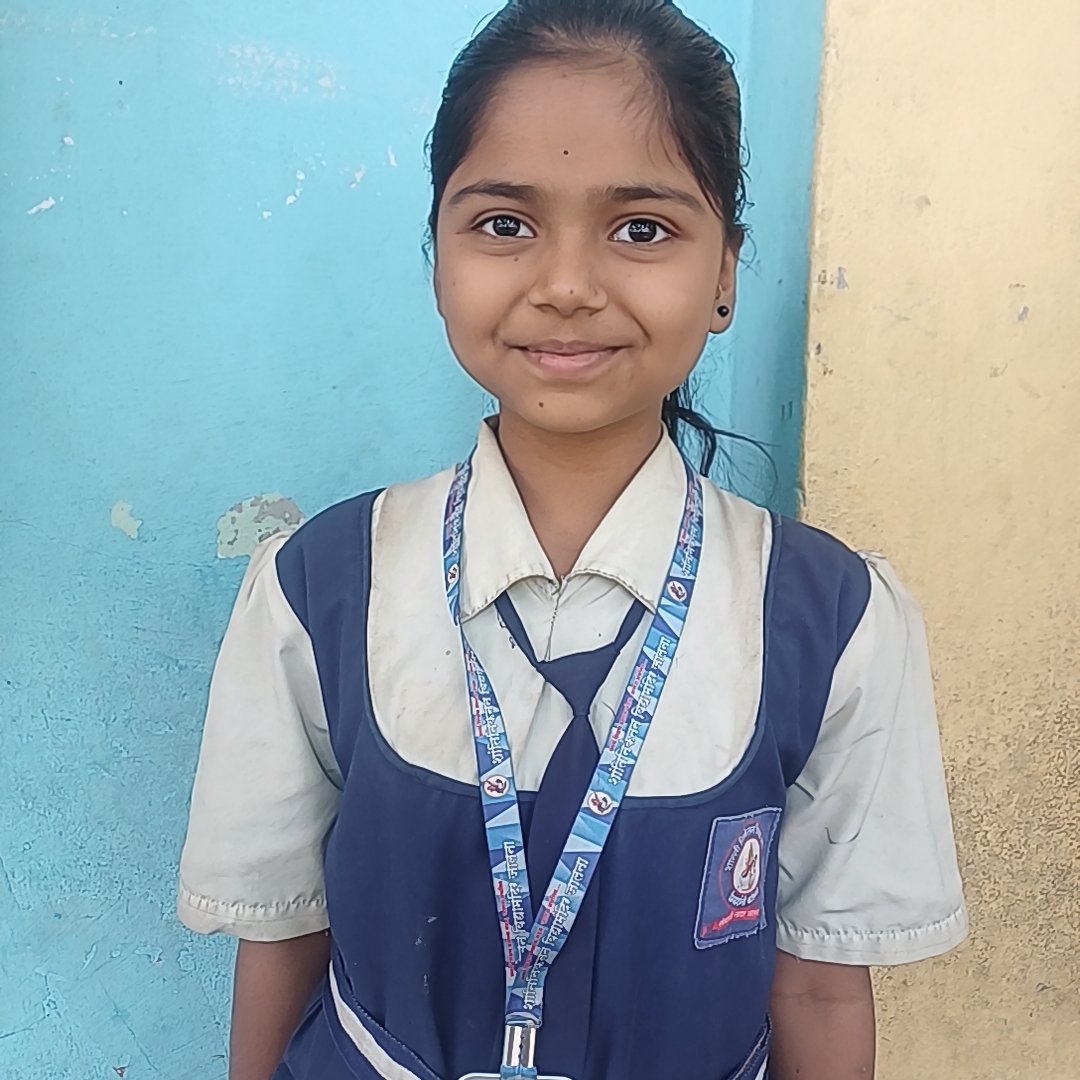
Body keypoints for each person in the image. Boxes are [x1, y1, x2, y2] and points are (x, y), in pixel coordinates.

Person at [177, 2, 968, 1078]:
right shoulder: (317, 591)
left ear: (726, 275)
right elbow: (281, 943)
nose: (564, 285)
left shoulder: (833, 623)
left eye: (641, 229)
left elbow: (820, 988)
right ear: (438, 257)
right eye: (505, 223)